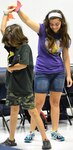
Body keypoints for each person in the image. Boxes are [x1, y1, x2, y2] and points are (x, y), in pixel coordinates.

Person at [8, 3, 73, 142]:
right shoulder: (42, 30)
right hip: (42, 72)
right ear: (48, 23)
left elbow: (66, 57)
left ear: (61, 23)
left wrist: (68, 74)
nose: (55, 26)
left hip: (58, 73)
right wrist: (18, 10)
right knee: (37, 104)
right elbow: (27, 21)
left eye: (57, 24)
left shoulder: (64, 37)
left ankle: (55, 131)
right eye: (52, 24)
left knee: (55, 103)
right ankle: (31, 131)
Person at [0, 8, 51, 150]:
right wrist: (5, 14)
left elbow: (23, 64)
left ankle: (45, 139)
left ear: (17, 37)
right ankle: (11, 139)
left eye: (10, 39)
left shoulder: (24, 47)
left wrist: (10, 68)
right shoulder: (10, 45)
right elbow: (2, 28)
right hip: (13, 87)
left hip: (25, 87)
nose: (8, 41)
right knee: (13, 111)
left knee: (33, 112)